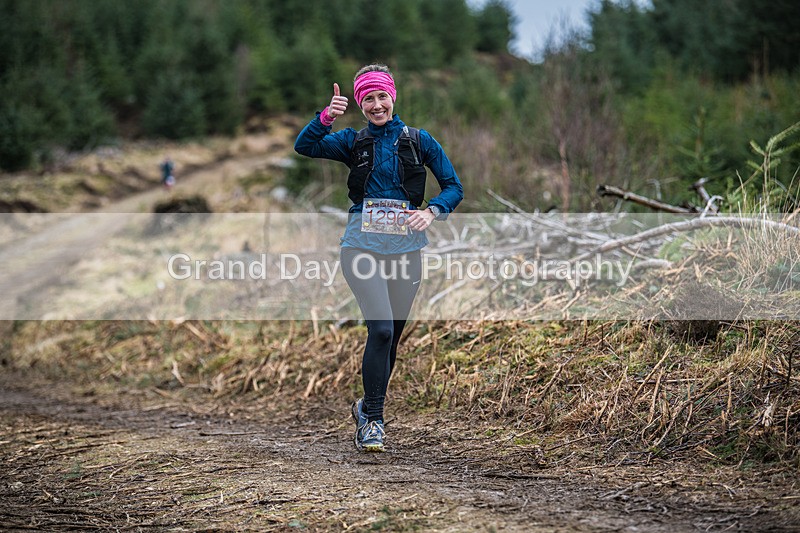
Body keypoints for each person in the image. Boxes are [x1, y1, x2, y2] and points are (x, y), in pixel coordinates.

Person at [295, 64, 463, 452]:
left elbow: (454, 186)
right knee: (382, 330)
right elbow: (304, 146)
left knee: (391, 340)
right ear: (359, 103)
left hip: (407, 250)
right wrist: (325, 118)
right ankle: (373, 421)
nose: (375, 104)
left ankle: (366, 408)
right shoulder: (352, 141)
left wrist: (431, 210)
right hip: (360, 247)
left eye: (381, 96)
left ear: (393, 97)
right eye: (367, 98)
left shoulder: (420, 140)